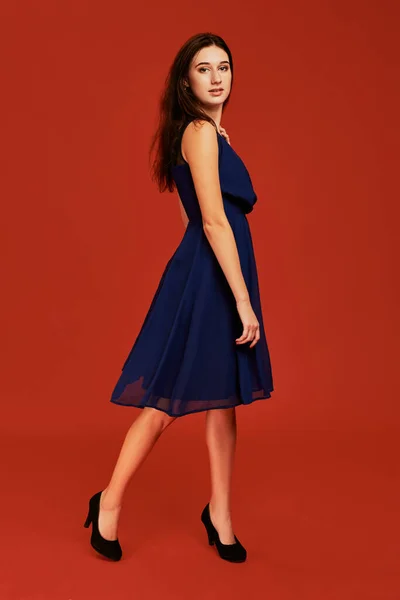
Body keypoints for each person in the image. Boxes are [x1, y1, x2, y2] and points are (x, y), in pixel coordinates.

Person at [83, 32, 274, 564]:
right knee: (165, 400)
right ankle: (110, 504)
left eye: (225, 67)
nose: (217, 77)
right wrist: (240, 298)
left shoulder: (214, 134)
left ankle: (220, 514)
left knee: (224, 396)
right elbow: (211, 220)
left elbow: (195, 214)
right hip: (213, 276)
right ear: (185, 80)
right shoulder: (200, 133)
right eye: (204, 68)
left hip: (215, 266)